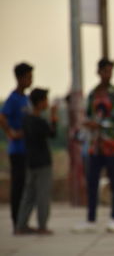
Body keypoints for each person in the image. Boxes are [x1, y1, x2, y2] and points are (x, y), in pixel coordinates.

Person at [72, 58, 114, 233]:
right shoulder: (93, 94)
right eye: (106, 71)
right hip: (94, 146)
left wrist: (101, 125)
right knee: (92, 182)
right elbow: (87, 116)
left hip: (111, 145)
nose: (108, 74)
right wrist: (87, 126)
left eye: (110, 71)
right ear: (99, 72)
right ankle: (91, 219)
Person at [15, 88, 57, 235]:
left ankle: (21, 225)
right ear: (39, 103)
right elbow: (52, 134)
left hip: (31, 162)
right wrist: (53, 117)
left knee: (28, 196)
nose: (47, 102)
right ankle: (42, 226)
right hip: (43, 163)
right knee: (42, 196)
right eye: (45, 100)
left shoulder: (26, 119)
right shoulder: (40, 121)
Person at [0, 62, 33, 233]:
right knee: (18, 188)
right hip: (17, 150)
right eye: (28, 77)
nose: (30, 80)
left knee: (27, 188)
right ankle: (16, 224)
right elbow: (2, 116)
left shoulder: (26, 99)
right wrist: (11, 132)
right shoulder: (13, 98)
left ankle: (23, 222)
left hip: (27, 150)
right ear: (20, 78)